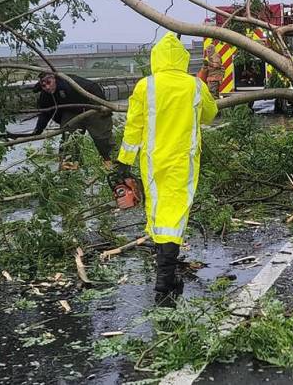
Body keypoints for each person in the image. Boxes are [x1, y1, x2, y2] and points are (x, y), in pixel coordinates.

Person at [114, 33, 218, 306]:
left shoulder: (145, 86)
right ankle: (165, 278)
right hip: (183, 161)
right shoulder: (194, 86)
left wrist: (123, 161)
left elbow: (133, 127)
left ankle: (166, 277)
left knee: (159, 213)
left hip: (153, 161)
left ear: (156, 58)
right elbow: (210, 115)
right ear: (182, 59)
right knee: (175, 216)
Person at [32, 72, 114, 170]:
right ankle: (71, 166)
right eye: (44, 86)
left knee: (101, 137)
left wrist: (102, 107)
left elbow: (93, 87)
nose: (47, 87)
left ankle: (111, 162)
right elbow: (45, 113)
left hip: (92, 107)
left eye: (49, 83)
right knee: (68, 139)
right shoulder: (45, 94)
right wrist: (38, 130)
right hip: (71, 111)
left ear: (54, 79)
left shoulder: (71, 82)